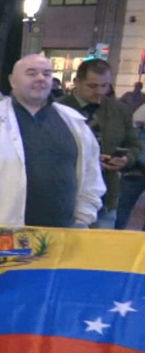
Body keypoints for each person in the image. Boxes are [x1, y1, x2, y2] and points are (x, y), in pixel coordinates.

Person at [0, 54, 104, 228]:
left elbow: (91, 177)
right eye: (31, 73)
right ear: (13, 81)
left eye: (47, 74)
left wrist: (83, 218)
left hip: (63, 231)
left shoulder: (75, 124)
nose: (40, 78)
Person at [57, 58, 139, 229]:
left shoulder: (119, 110)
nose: (100, 91)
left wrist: (126, 159)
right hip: (66, 196)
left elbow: (135, 144)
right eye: (93, 86)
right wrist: (88, 160)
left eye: (105, 86)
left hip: (107, 197)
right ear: (77, 82)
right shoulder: (57, 110)